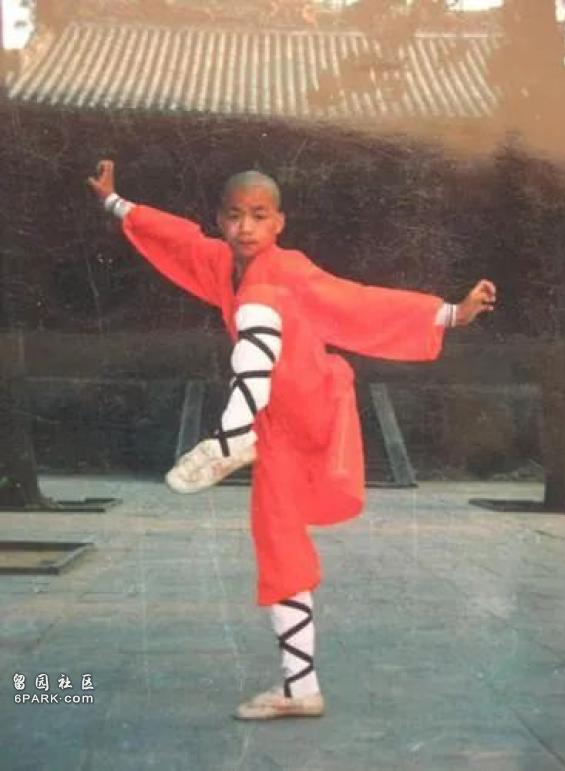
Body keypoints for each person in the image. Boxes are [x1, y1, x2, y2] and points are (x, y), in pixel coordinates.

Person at [88, 160, 496, 720]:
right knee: (277, 541)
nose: (246, 228)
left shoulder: (288, 270)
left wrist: (449, 314)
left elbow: (360, 300)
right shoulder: (220, 263)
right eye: (235, 216)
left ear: (279, 222)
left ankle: (230, 436)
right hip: (272, 425)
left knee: (261, 297)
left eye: (259, 216)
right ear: (220, 220)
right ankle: (300, 687)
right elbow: (177, 239)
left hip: (307, 396)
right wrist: (115, 202)